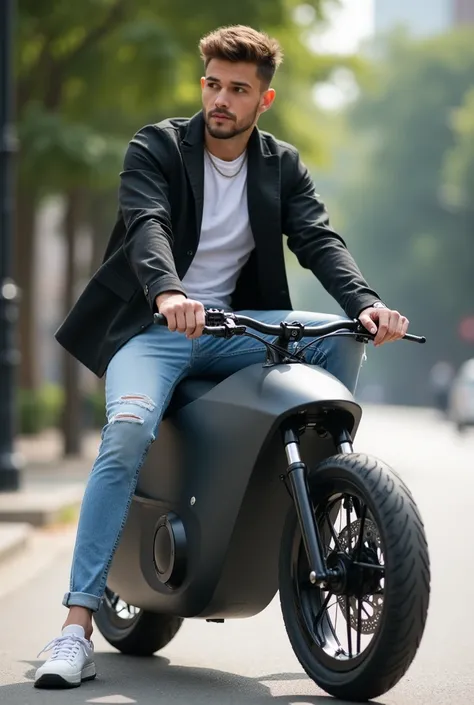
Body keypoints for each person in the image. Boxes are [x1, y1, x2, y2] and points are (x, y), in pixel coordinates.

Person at [34, 24, 409, 689]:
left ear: (263, 100)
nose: (221, 100)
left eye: (238, 89)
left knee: (339, 335)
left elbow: (318, 238)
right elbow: (147, 223)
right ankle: (74, 627)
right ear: (201, 83)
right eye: (213, 84)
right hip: (157, 327)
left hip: (240, 325)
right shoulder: (157, 147)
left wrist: (367, 303)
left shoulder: (280, 164)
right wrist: (169, 290)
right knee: (125, 433)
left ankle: (323, 481)